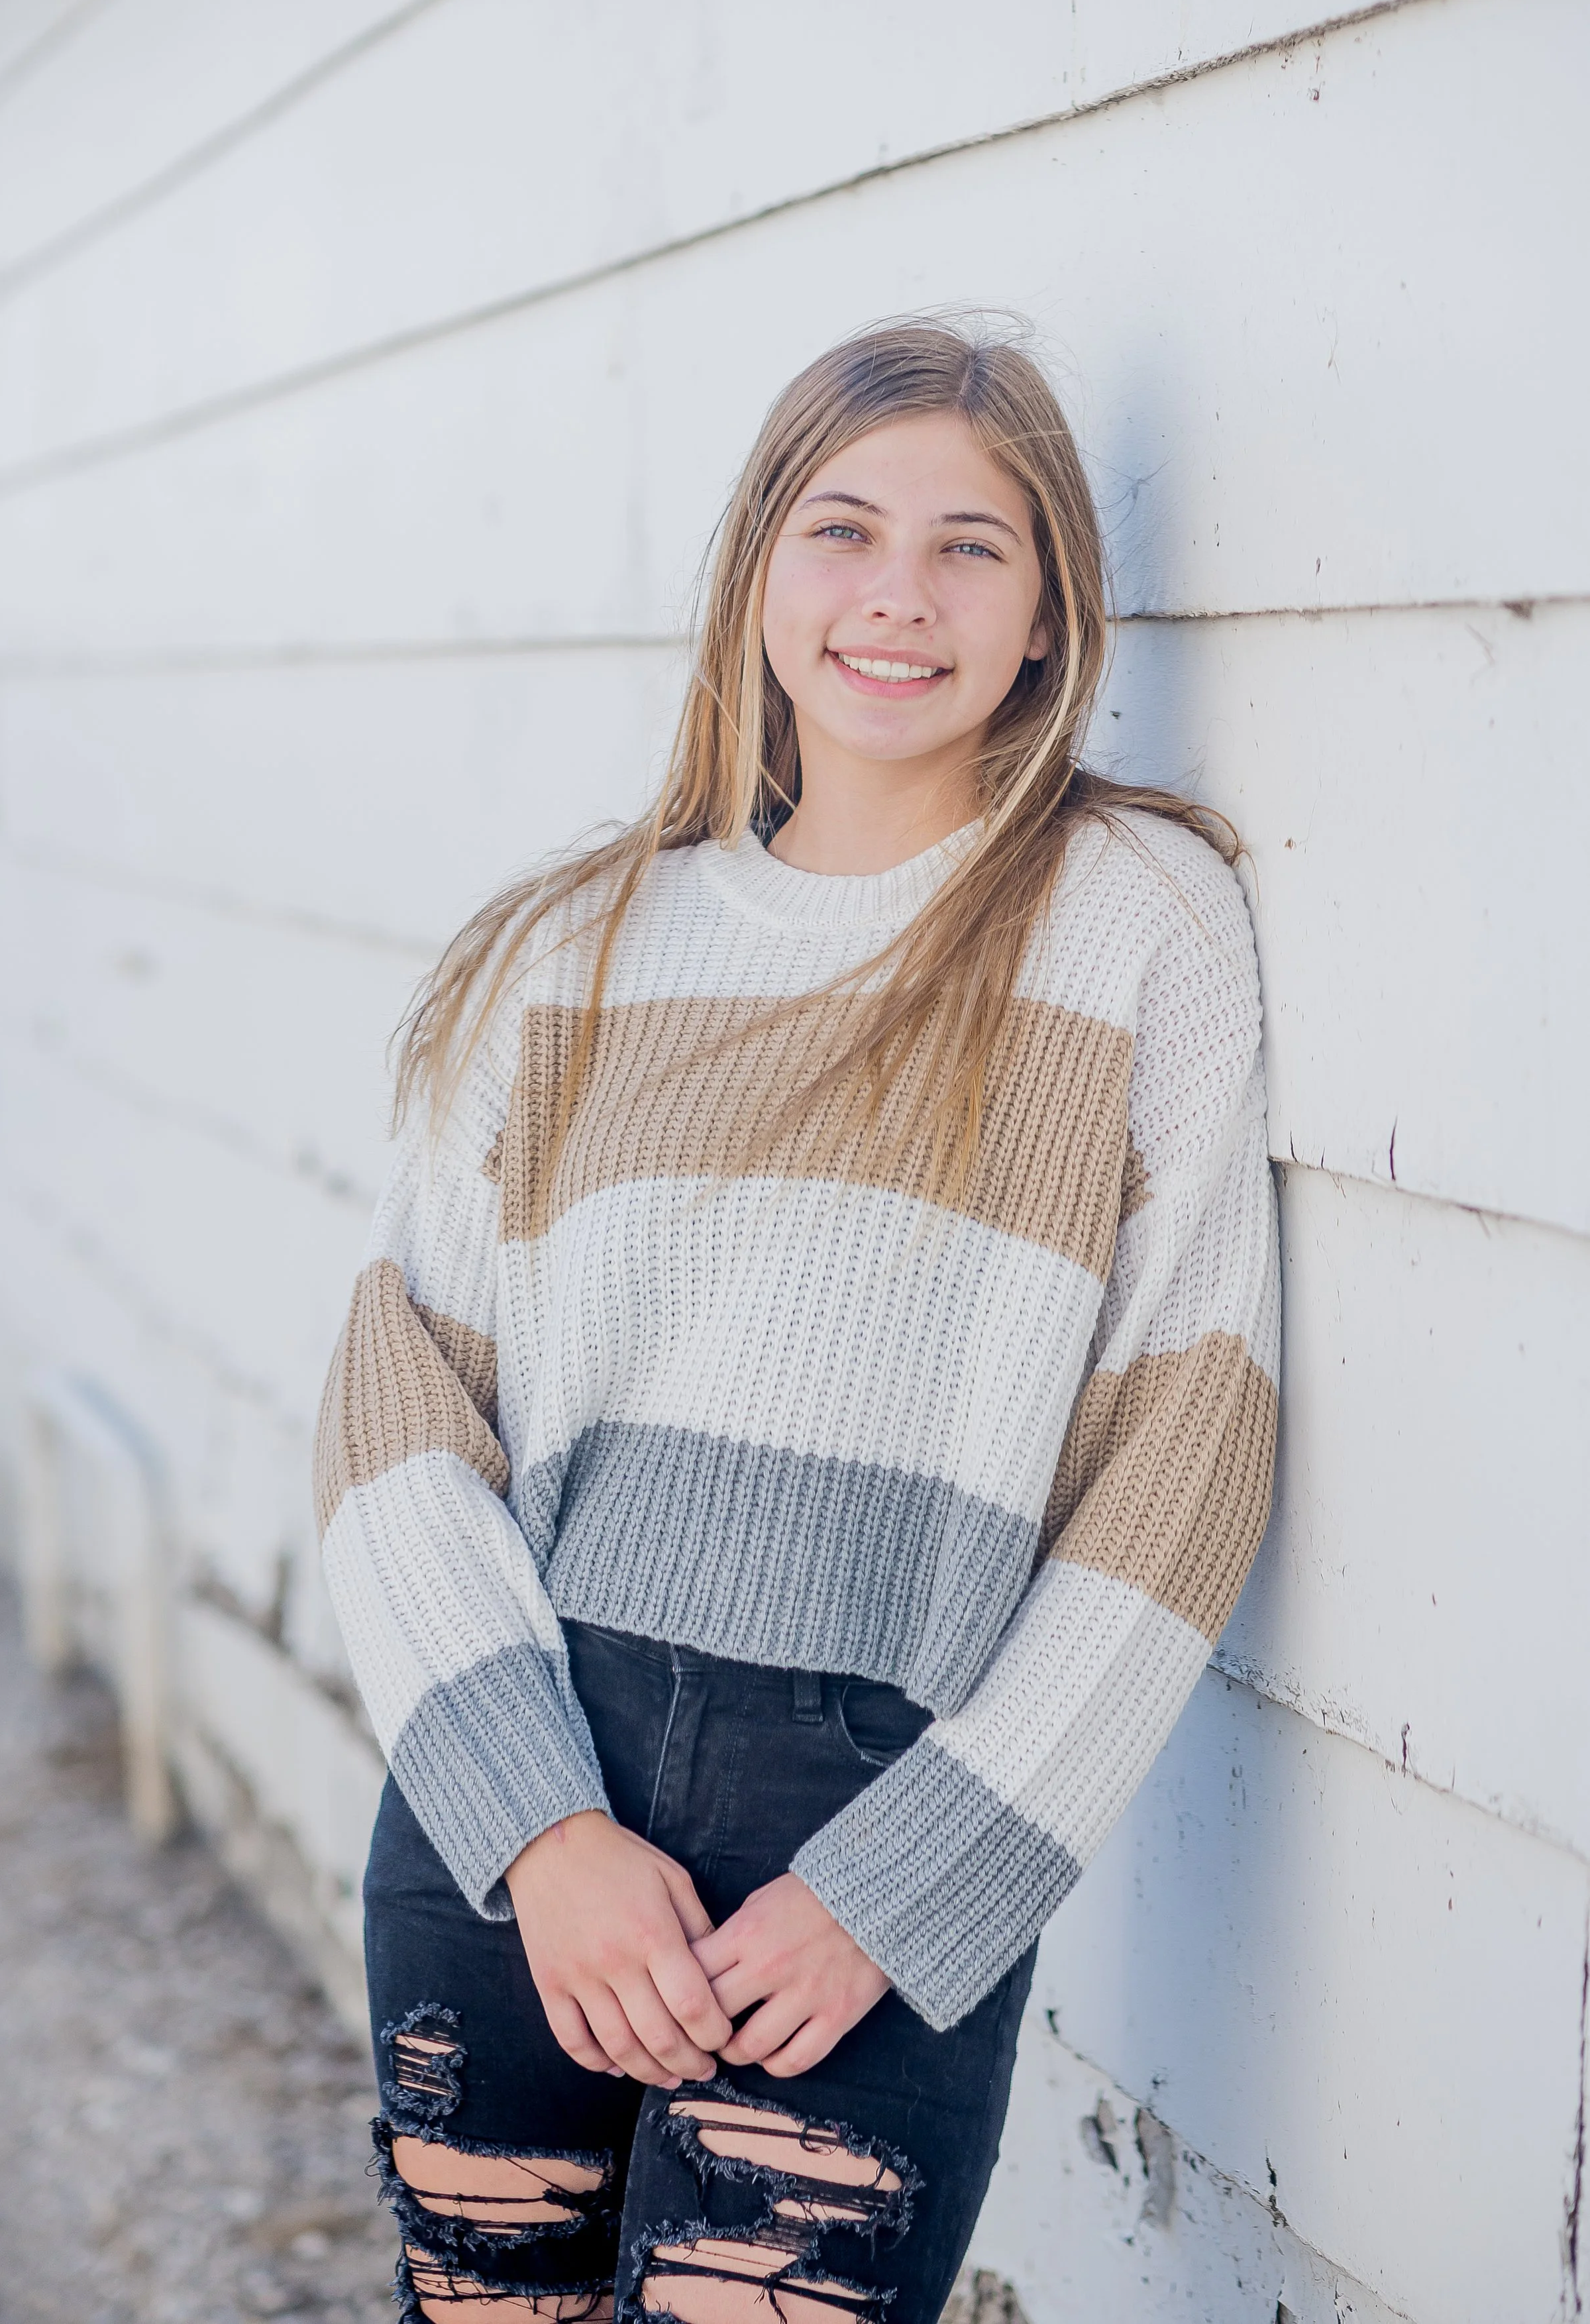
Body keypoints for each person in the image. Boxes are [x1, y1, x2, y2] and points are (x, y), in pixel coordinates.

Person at [314, 319, 1280, 2324]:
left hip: (875, 1821)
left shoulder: (1131, 922)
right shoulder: (569, 948)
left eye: (970, 546)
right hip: (522, 1796)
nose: (896, 595)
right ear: (756, 573)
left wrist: (911, 1880)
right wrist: (539, 1822)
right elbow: (397, 1391)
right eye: (840, 529)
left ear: (1048, 620)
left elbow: (1184, 1457)